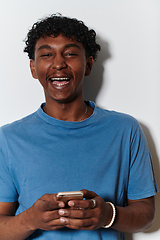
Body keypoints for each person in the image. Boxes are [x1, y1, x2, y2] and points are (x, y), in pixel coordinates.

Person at [0, 14, 158, 240]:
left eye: (70, 53)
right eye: (46, 55)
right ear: (33, 68)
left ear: (89, 64)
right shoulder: (8, 138)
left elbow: (147, 216)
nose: (58, 64)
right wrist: (30, 219)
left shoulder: (125, 130)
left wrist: (108, 216)